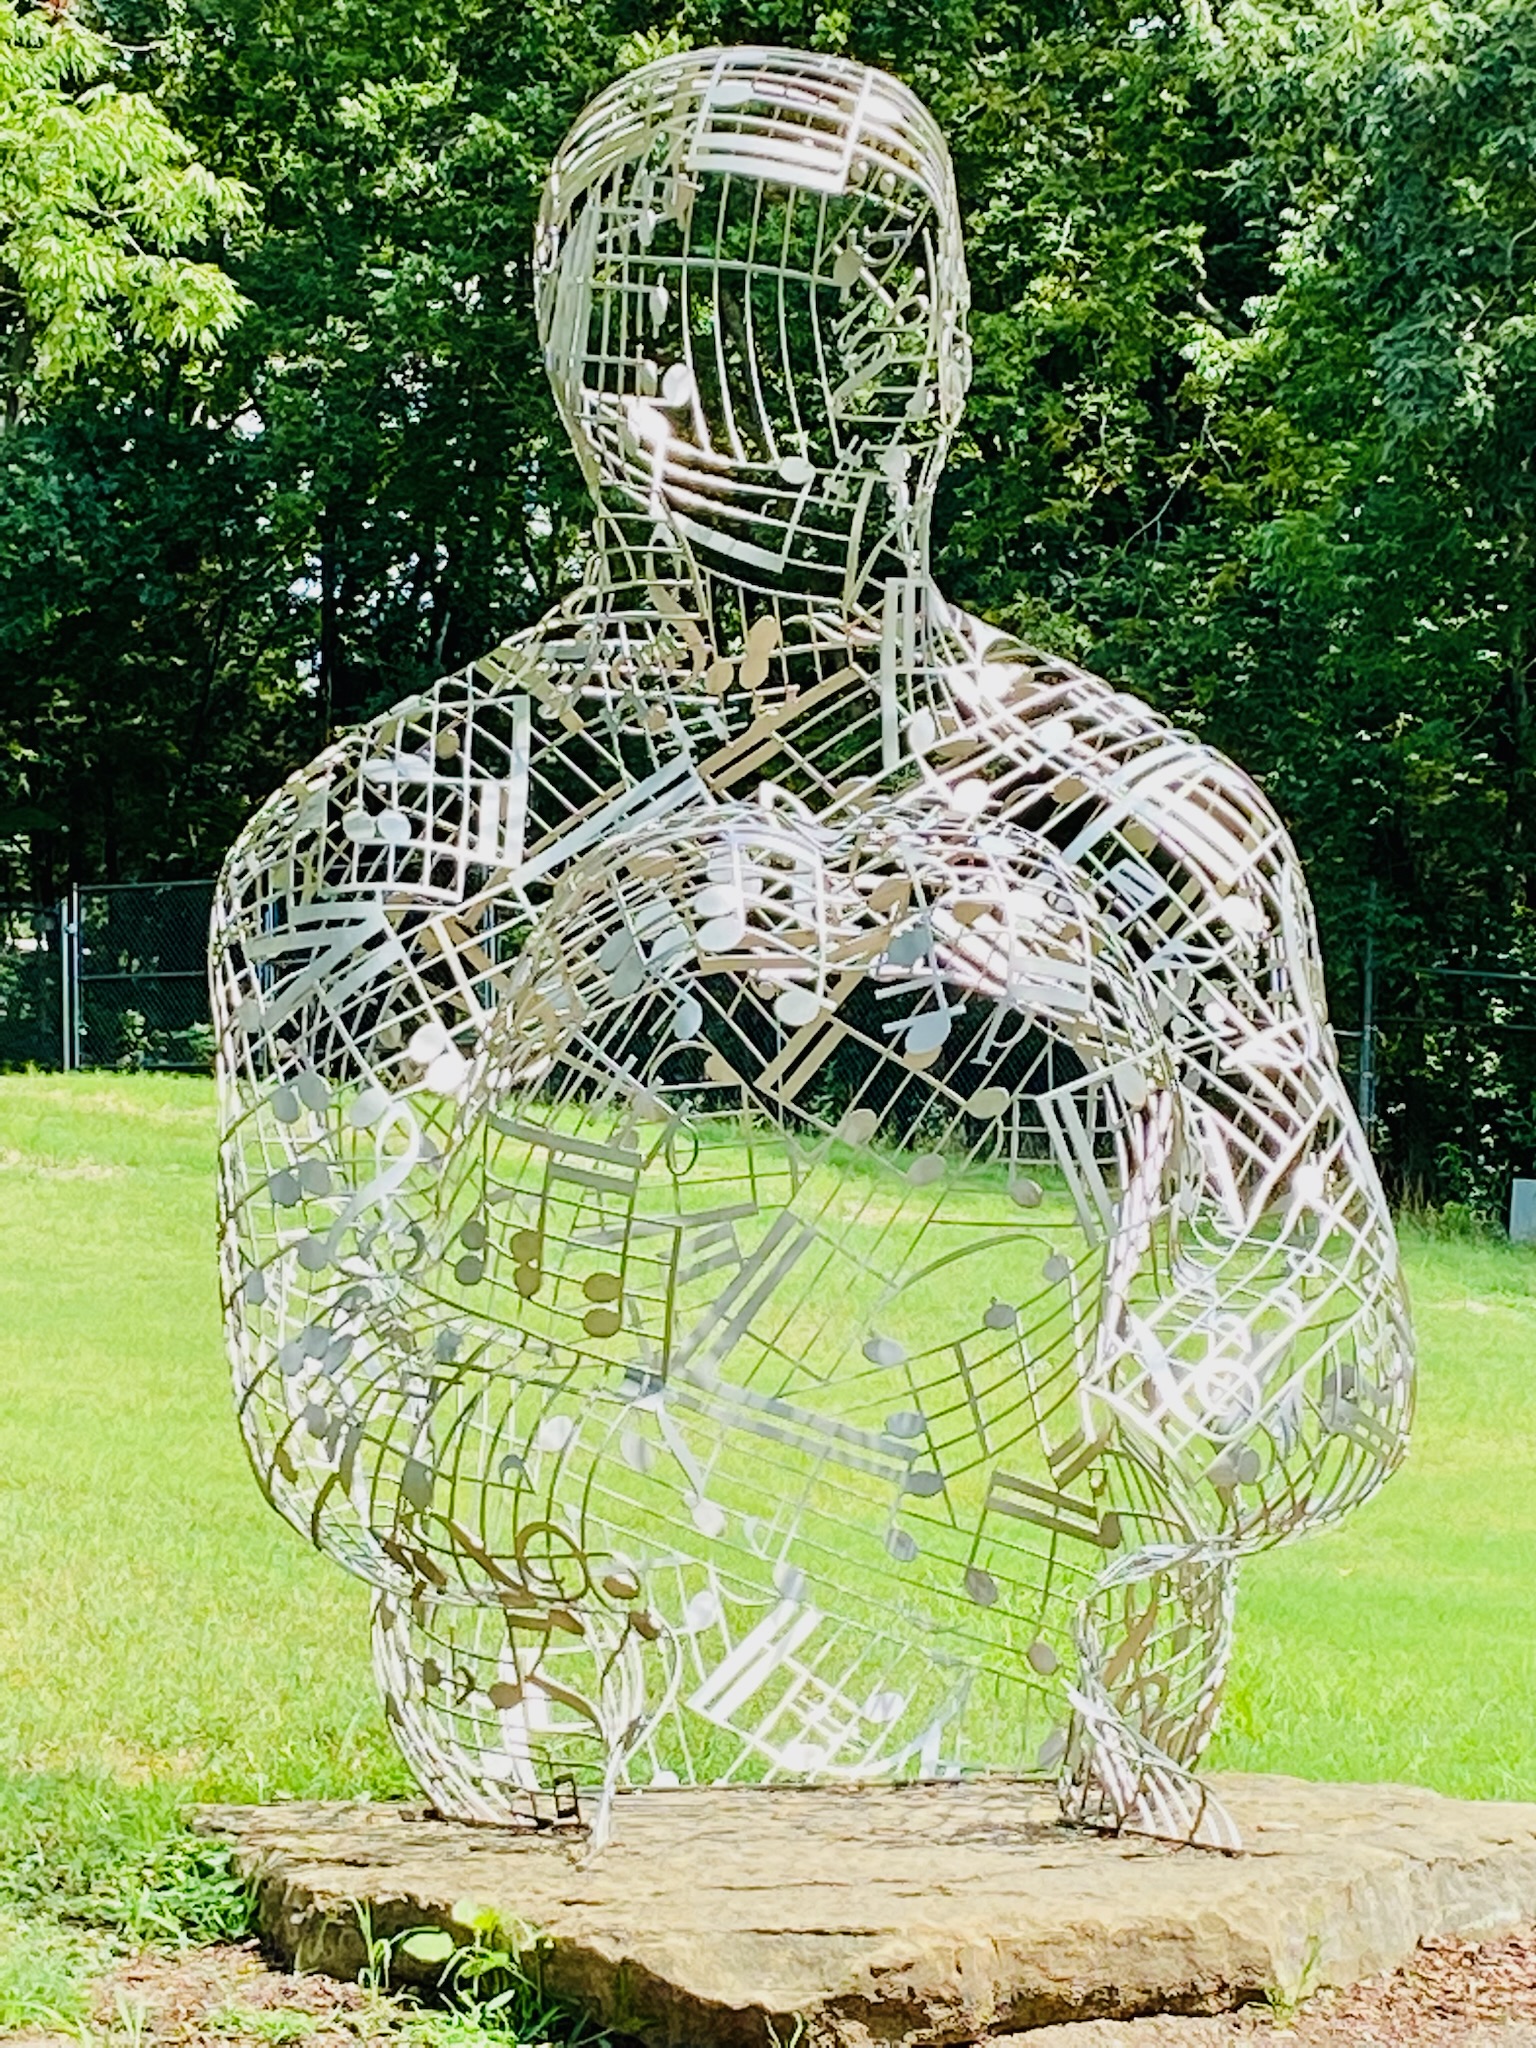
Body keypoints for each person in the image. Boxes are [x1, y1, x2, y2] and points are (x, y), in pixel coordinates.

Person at [212, 46, 1413, 1851]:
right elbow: (316, 1355)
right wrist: (565, 1016)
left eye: (861, 303)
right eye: (663, 333)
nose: (777, 398)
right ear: (587, 380)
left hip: (1049, 1740)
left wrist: (1167, 1422)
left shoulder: (1161, 822)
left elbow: (1332, 1325)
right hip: (584, 1762)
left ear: (942, 342)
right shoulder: (396, 829)